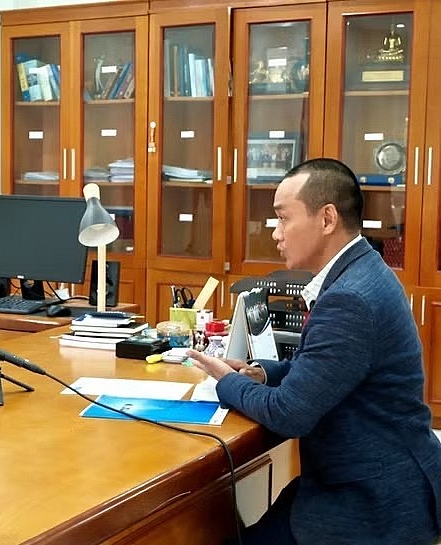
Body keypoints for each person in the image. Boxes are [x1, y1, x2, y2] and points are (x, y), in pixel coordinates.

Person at [189, 158, 441, 545]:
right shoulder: (362, 269)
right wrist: (263, 373)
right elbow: (328, 369)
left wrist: (224, 381)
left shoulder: (350, 298)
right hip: (364, 476)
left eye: (283, 218)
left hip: (373, 504)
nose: (275, 233)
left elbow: (289, 414)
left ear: (326, 219)